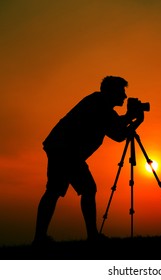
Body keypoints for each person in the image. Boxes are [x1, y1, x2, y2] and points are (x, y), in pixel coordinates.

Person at [33, 76, 144, 244]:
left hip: (63, 148)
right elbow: (117, 130)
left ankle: (40, 238)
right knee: (83, 189)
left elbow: (118, 134)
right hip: (66, 150)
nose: (124, 96)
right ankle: (90, 236)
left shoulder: (101, 105)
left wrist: (134, 120)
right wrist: (132, 118)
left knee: (56, 191)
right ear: (110, 92)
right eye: (121, 92)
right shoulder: (98, 104)